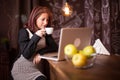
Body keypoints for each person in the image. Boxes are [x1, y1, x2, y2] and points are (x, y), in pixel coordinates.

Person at [11, 6, 58, 80]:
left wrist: (40, 53)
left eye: (47, 20)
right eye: (43, 19)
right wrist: (36, 36)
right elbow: (26, 54)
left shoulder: (45, 32)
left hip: (36, 68)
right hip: (22, 68)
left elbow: (55, 47)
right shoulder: (24, 32)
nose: (46, 23)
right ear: (35, 19)